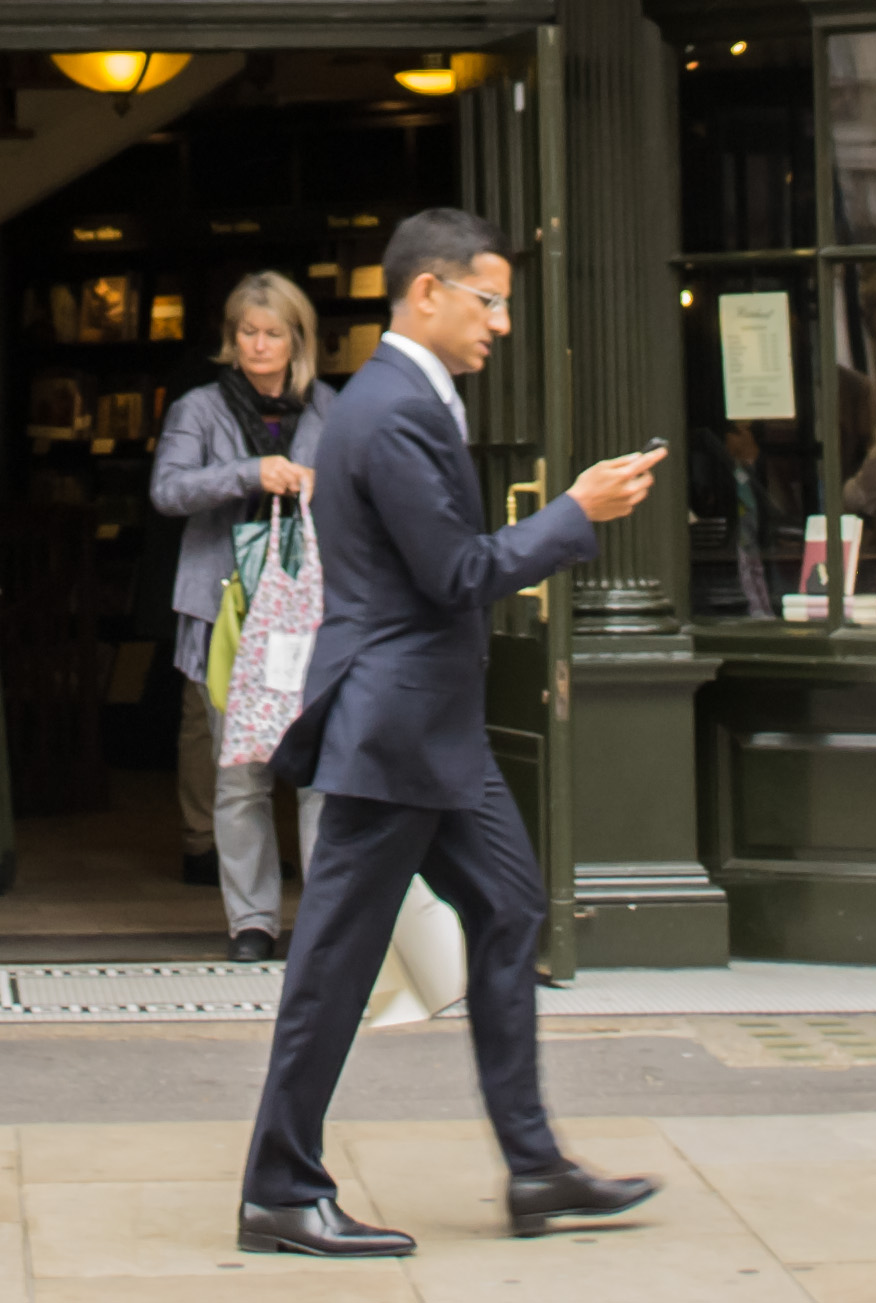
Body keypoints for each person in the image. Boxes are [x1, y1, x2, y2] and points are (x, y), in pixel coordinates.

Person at [238, 208, 668, 1258]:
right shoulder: (386, 412)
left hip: (433, 731)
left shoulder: (407, 400)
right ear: (425, 294)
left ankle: (535, 1169)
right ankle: (279, 1191)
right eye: (490, 300)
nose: (502, 324)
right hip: (394, 733)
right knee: (333, 968)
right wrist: (573, 512)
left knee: (511, 912)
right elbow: (455, 574)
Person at [151, 269, 336, 958]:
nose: (259, 346)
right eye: (247, 333)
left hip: (311, 614)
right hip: (224, 609)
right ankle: (252, 922)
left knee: (319, 772)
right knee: (240, 773)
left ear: (299, 339)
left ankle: (321, 922)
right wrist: (250, 473)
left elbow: (366, 498)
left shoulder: (330, 409)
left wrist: (324, 488)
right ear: (231, 339)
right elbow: (167, 490)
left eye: (273, 333)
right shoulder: (198, 409)